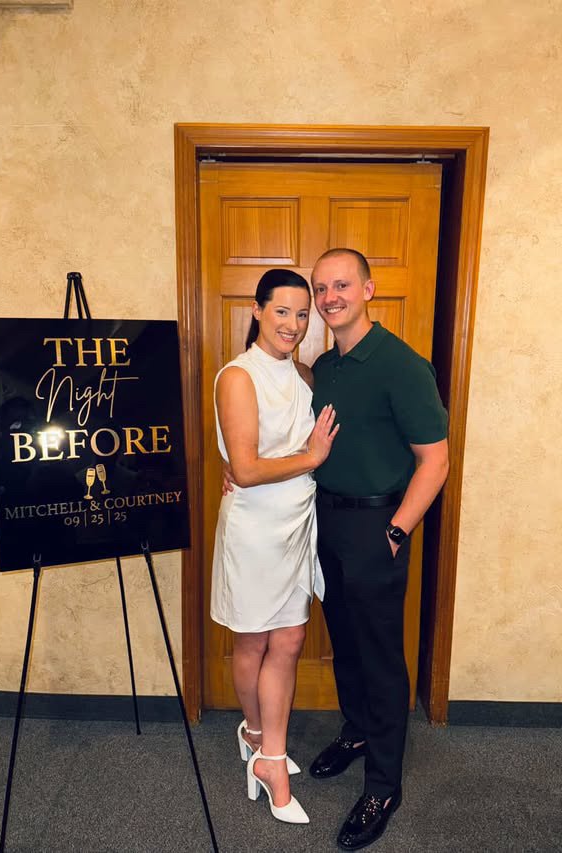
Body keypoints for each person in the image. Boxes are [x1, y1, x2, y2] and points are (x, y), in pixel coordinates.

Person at [308, 248, 449, 850]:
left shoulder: (401, 365)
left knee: (382, 658)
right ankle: (358, 731)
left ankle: (383, 785)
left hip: (377, 529)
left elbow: (435, 461)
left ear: (369, 289)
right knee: (344, 643)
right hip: (327, 521)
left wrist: (397, 531)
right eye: (321, 288)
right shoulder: (323, 365)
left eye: (341, 284)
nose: (329, 296)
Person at [211, 268, 339, 825]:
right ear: (258, 311)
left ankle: (268, 755)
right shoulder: (237, 377)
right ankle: (262, 740)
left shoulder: (306, 376)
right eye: (282, 311)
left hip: (296, 522)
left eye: (302, 313)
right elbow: (244, 467)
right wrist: (309, 459)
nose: (293, 323)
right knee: (253, 641)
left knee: (289, 638)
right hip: (255, 529)